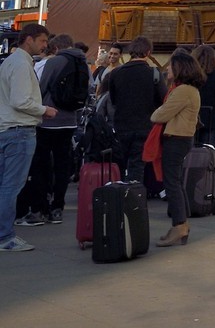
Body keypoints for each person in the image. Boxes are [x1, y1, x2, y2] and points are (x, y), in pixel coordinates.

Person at [18, 30, 88, 227]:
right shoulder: (83, 63)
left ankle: (40, 208)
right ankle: (58, 207)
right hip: (70, 121)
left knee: (41, 164)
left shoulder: (54, 62)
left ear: (56, 47)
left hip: (49, 120)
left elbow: (40, 88)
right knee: (62, 165)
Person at [0, 24, 56, 252]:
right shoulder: (22, 64)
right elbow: (20, 100)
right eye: (42, 41)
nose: (45, 46)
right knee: (11, 187)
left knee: (5, 185)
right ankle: (5, 236)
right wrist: (44, 110)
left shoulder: (10, 62)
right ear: (29, 39)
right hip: (20, 131)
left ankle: (4, 233)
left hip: (7, 129)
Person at [149, 50, 203, 248]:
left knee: (171, 182)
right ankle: (180, 226)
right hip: (182, 138)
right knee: (176, 182)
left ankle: (179, 225)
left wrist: (156, 112)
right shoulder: (188, 89)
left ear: (180, 68)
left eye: (171, 66)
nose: (167, 69)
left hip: (176, 139)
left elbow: (159, 115)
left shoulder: (182, 91)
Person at [99, 35, 161, 187]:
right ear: (148, 52)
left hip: (121, 125)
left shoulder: (114, 74)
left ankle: (119, 196)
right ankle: (133, 199)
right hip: (145, 125)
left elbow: (113, 100)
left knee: (121, 164)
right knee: (137, 165)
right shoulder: (154, 74)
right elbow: (161, 100)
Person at [192, 44, 215, 148]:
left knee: (190, 149)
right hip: (210, 116)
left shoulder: (191, 74)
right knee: (207, 150)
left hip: (192, 115)